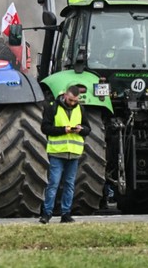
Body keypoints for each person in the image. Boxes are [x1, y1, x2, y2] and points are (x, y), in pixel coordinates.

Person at [40, 84, 91, 224]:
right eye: (70, 100)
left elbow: (88, 129)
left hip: (74, 154)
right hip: (57, 153)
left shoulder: (80, 109)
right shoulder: (53, 107)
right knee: (54, 183)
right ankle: (47, 213)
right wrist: (64, 130)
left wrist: (81, 129)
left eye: (75, 101)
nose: (73, 103)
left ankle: (66, 214)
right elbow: (45, 128)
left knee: (69, 184)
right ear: (65, 96)